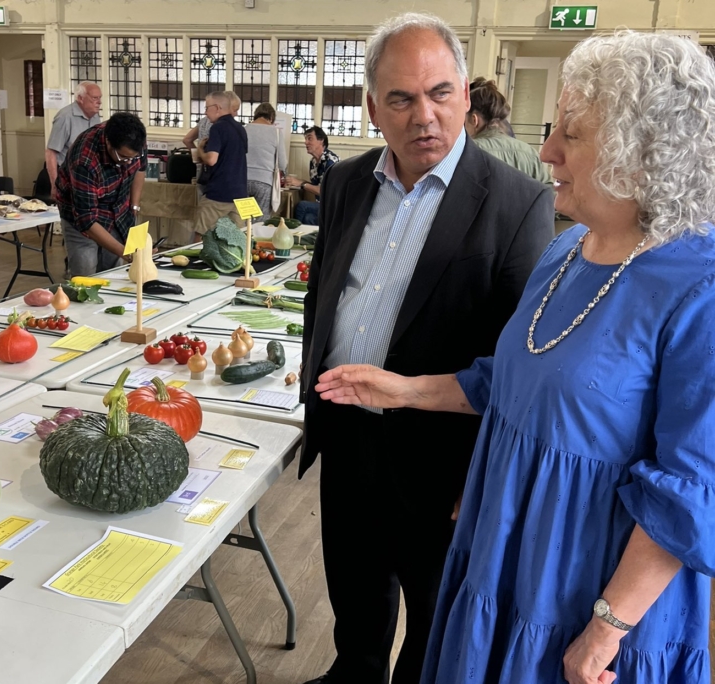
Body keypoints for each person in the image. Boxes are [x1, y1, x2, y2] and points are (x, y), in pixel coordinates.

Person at [315, 30, 715, 684]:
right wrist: (405, 390)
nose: (547, 150)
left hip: (585, 586)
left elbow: (692, 488)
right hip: (501, 548)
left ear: (641, 151)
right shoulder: (566, 253)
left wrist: (604, 629)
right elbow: (508, 380)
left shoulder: (698, 285)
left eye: (572, 135)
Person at [298, 12, 555, 684]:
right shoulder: (348, 183)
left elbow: (517, 356)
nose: (424, 117)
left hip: (440, 452)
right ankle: (353, 673)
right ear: (371, 107)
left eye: (440, 93)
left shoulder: (516, 203)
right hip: (347, 429)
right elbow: (321, 294)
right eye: (402, 99)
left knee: (433, 612)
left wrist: (483, 471)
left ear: (465, 97)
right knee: (354, 590)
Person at [55, 112, 147, 276]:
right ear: (108, 143)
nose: (129, 161)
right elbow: (87, 220)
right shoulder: (84, 160)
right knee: (86, 271)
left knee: (113, 271)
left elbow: (140, 168)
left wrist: (134, 205)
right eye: (124, 157)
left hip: (118, 208)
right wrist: (125, 252)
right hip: (81, 212)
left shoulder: (135, 141)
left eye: (133, 157)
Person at [466, 77, 552, 185]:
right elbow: (549, 194)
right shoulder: (529, 153)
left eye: (465, 122)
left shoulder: (467, 153)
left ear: (474, 120)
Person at [194, 91, 247, 236]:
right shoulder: (241, 128)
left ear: (217, 107)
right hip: (240, 193)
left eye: (206, 108)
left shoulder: (217, 127)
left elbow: (211, 159)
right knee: (236, 239)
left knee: (201, 234)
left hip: (219, 193)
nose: (205, 113)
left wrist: (200, 151)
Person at [45, 81, 102, 191]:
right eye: (95, 98)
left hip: (88, 176)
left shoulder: (95, 116)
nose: (99, 102)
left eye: (100, 98)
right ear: (81, 98)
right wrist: (55, 185)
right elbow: (51, 152)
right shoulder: (65, 117)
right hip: (67, 176)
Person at [287, 126, 338, 225]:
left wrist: (301, 183)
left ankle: (296, 235)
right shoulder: (313, 162)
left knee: (302, 206)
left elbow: (324, 191)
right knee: (308, 218)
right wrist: (297, 182)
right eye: (305, 139)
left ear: (321, 140)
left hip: (334, 207)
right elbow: (316, 186)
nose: (306, 142)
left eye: (309, 138)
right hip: (322, 205)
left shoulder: (331, 161)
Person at [245, 102, 287, 219]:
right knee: (260, 221)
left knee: (244, 221)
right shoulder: (276, 133)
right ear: (272, 117)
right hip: (264, 182)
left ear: (256, 115)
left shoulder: (244, 130)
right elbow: (282, 163)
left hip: (242, 181)